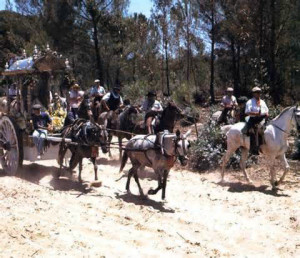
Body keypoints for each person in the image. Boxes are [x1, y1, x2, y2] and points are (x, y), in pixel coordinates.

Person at [242, 87, 269, 154]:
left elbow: (267, 110)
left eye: (259, 92)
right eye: (257, 92)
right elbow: (247, 112)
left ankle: (266, 146)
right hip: (254, 119)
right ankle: (254, 149)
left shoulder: (262, 102)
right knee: (253, 132)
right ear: (253, 94)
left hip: (262, 118)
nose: (258, 94)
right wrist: (256, 113)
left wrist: (267, 113)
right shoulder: (250, 102)